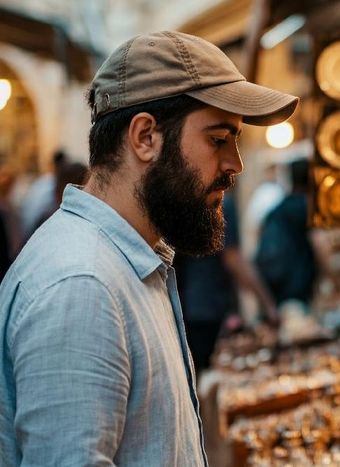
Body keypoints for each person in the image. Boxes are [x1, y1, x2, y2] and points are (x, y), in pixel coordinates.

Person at [0, 31, 298, 466]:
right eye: (218, 139)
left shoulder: (128, 263)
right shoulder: (82, 286)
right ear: (145, 137)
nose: (236, 164)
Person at [176, 188, 278, 372]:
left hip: (186, 306)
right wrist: (268, 303)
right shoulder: (220, 201)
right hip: (207, 307)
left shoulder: (186, 199)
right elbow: (233, 259)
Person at [255, 158, 317, 305]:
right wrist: (336, 279)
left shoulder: (279, 208)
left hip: (273, 284)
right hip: (296, 286)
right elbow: (319, 243)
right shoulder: (306, 208)